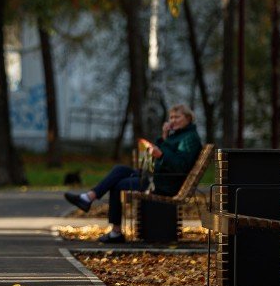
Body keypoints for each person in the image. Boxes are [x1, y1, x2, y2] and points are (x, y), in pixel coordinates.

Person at [63, 103, 203, 243]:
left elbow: (180, 166)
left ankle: (114, 231)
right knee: (120, 169)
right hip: (157, 177)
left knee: (118, 184)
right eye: (171, 117)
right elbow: (167, 152)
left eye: (177, 117)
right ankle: (89, 197)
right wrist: (164, 136)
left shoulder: (189, 138)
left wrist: (161, 155)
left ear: (188, 118)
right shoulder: (177, 135)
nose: (172, 120)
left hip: (164, 183)